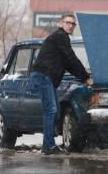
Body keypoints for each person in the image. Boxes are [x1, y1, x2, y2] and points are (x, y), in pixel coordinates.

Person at [31, 13, 93, 155]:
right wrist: (85, 77)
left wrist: (83, 77)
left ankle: (48, 145)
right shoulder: (60, 36)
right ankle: (48, 147)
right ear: (60, 24)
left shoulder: (61, 40)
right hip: (43, 76)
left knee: (54, 110)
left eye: (73, 24)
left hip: (47, 77)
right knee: (51, 110)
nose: (70, 25)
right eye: (68, 22)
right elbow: (71, 58)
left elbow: (68, 64)